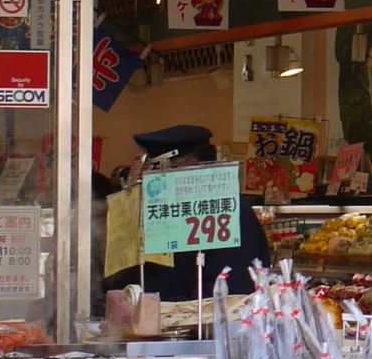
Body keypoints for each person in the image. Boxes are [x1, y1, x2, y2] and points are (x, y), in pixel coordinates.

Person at [111, 123, 271, 296]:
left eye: (162, 169)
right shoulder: (172, 211)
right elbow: (163, 274)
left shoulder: (228, 211)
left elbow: (231, 290)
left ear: (191, 166)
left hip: (204, 319)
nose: (154, 180)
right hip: (163, 316)